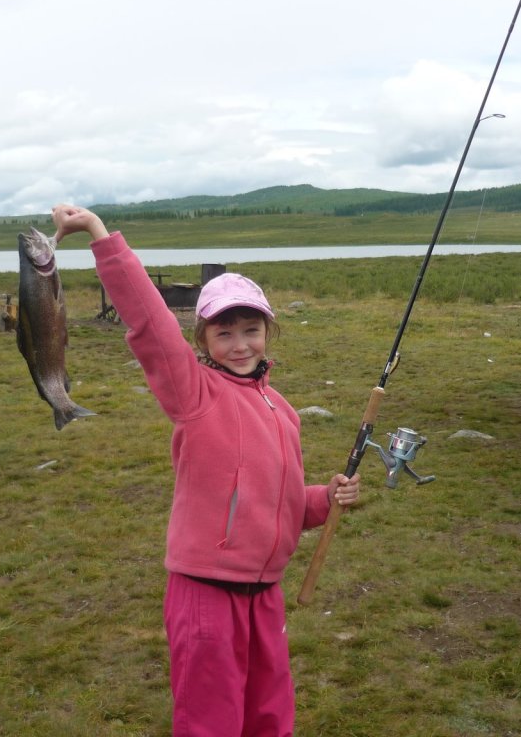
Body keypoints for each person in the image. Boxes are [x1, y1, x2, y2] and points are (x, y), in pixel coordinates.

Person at [51, 204, 360, 737]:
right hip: (206, 592)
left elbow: (277, 497)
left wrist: (322, 500)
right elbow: (150, 324)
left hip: (265, 591)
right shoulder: (194, 394)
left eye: (250, 329)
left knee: (269, 714)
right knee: (211, 721)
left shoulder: (280, 408)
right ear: (203, 344)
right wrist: (101, 235)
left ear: (269, 330)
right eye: (224, 334)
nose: (240, 344)